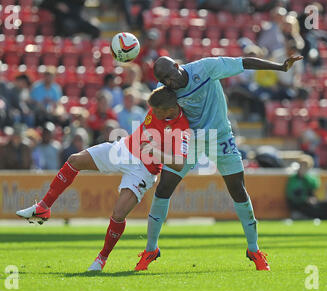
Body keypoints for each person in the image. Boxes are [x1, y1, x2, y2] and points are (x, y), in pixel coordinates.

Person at [135, 54, 303, 272]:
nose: (169, 83)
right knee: (164, 188)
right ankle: (150, 249)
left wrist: (280, 67)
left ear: (177, 66)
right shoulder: (164, 88)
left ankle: (254, 249)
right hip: (190, 139)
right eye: (163, 80)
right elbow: (159, 114)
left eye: (169, 76)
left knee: (238, 191)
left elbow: (244, 62)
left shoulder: (206, 68)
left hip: (221, 137)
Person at [16, 86, 191, 272]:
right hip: (123, 149)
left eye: (157, 111)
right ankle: (43, 208)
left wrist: (154, 152)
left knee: (118, 214)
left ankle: (101, 259)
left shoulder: (183, 129)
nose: (153, 113)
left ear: (171, 110)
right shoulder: (161, 102)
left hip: (144, 170)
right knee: (74, 160)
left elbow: (179, 164)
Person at [286, 155, 327, 220]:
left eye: (305, 166)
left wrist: (305, 177)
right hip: (299, 204)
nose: (303, 168)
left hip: (311, 203)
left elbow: (315, 185)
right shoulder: (294, 179)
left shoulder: (310, 178)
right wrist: (305, 199)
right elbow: (291, 194)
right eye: (302, 166)